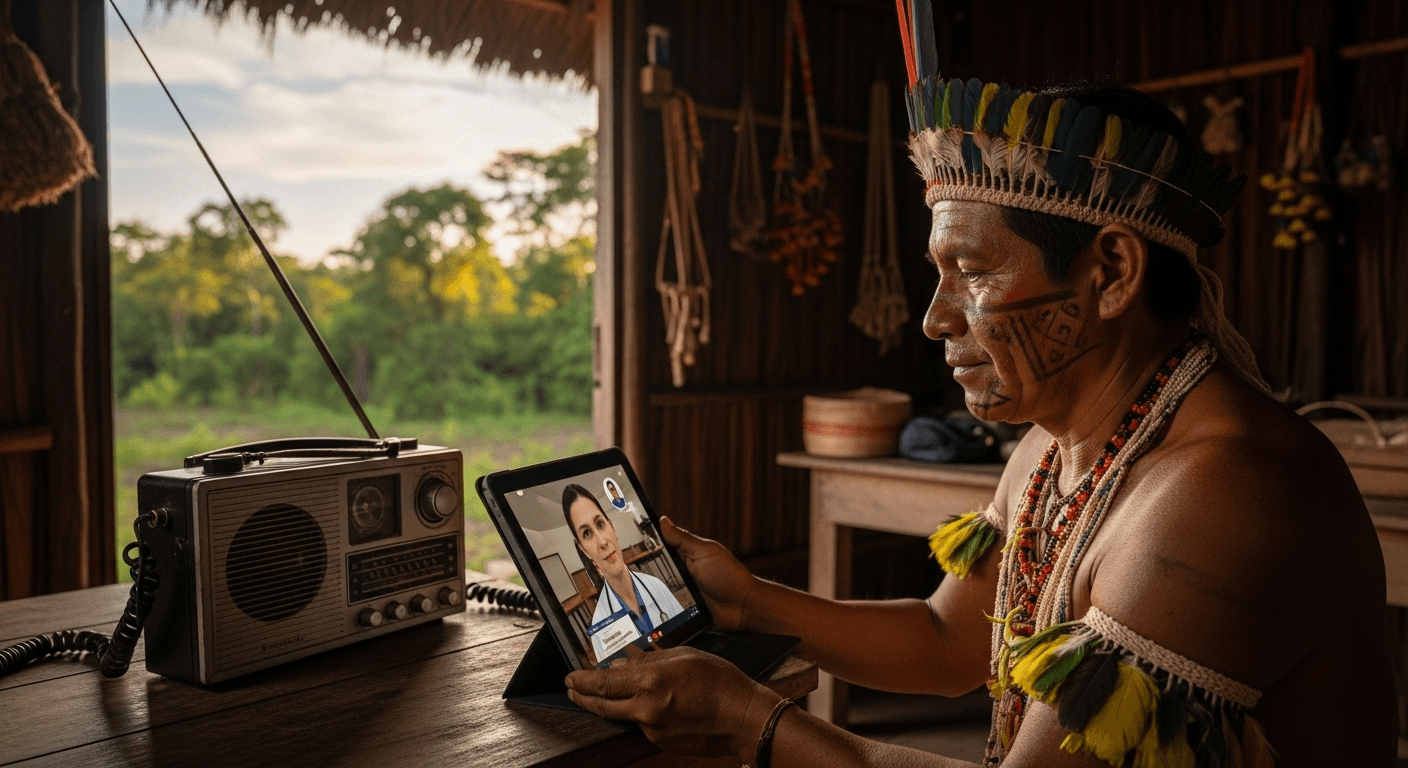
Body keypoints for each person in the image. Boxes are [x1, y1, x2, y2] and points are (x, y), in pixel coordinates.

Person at [561, 80, 1396, 767]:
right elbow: (947, 640)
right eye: (937, 273)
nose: (934, 319)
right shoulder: (1052, 444)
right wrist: (747, 603)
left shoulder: (1225, 492)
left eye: (970, 272)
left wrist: (750, 721)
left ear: (1111, 273)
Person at [563, 483, 685, 665]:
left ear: (612, 528)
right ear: (584, 549)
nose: (602, 541)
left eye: (600, 524)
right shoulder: (601, 629)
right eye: (587, 533)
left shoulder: (657, 586)